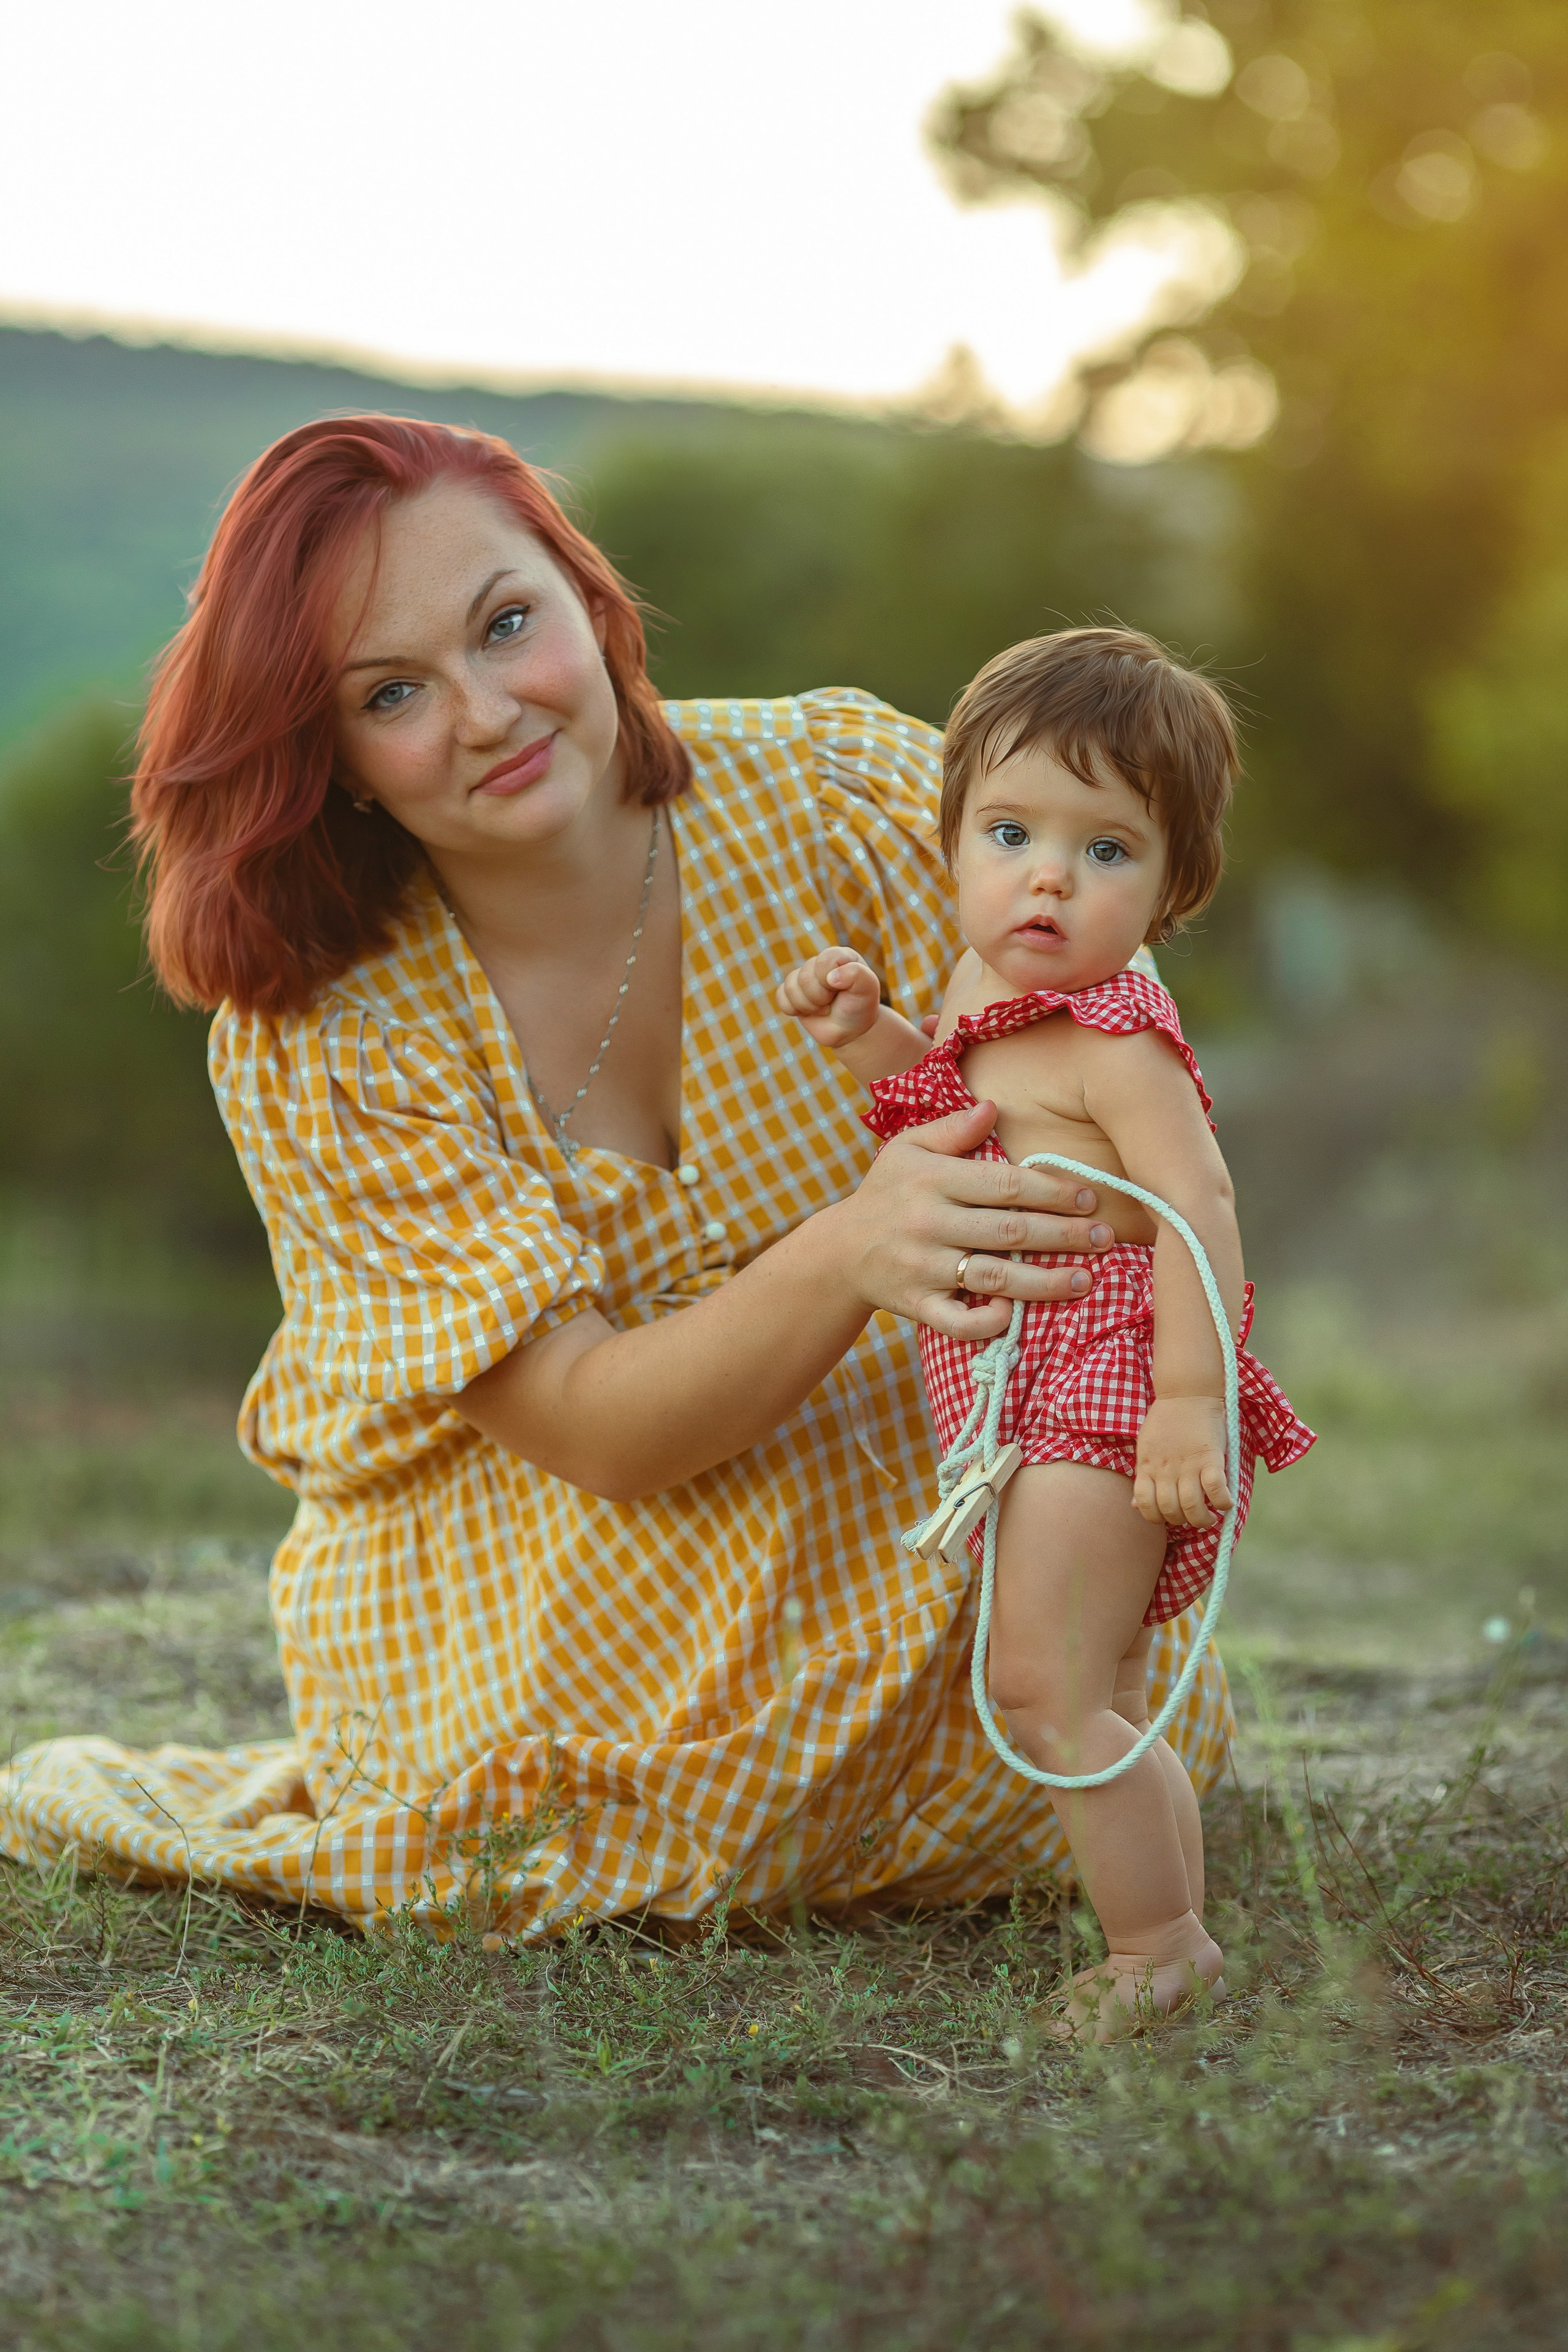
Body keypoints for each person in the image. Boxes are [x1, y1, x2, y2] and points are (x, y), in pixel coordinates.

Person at [0, 421, 1234, 1939]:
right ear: (333, 762)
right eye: (389, 695)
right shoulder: (326, 1039)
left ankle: (1012, 1742)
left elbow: (1113, 1108)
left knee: (1036, 1611)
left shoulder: (841, 794)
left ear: (589, 602)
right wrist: (851, 1246)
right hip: (542, 1557)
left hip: (925, 1465)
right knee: (586, 1741)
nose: (484, 713)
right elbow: (592, 1428)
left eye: (504, 624)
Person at [777, 629, 1312, 2035]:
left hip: (1103, 1375)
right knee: (1099, 1683)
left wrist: (1186, 1398)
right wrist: (873, 1037)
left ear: (1173, 887)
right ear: (950, 837)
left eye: (1105, 850)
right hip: (1017, 1385)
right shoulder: (982, 989)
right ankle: (1166, 1929)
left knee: (1043, 1687)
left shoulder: (1114, 1038)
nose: (1047, 879)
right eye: (1009, 834)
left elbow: (1194, 1204)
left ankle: (1157, 1947)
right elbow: (961, 1113)